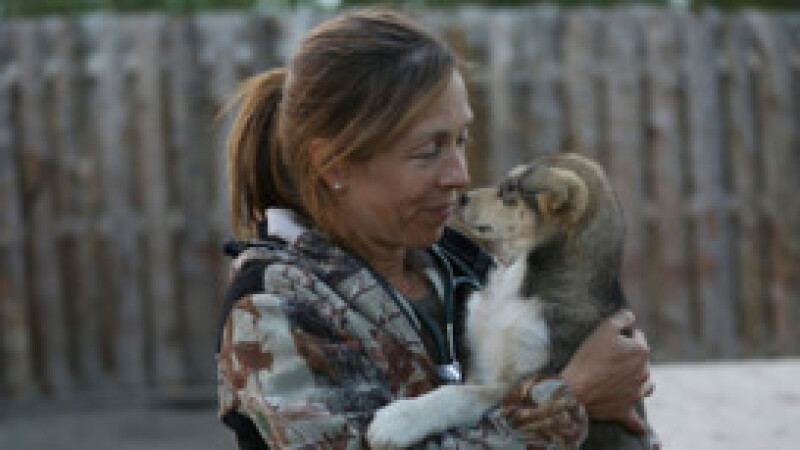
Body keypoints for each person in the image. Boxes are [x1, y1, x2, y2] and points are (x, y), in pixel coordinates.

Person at [216, 9, 654, 449]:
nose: (459, 175)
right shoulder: (275, 306)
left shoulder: (468, 269)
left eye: (461, 140)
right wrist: (566, 402)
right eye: (428, 151)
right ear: (333, 165)